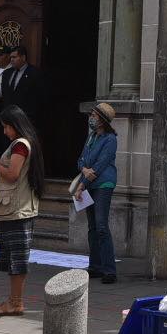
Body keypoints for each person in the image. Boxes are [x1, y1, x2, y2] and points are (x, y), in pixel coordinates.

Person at [0, 105, 44, 317]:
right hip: (15, 208)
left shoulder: (20, 145)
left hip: (17, 209)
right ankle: (13, 300)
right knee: (13, 257)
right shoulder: (23, 144)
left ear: (14, 125)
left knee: (17, 258)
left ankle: (16, 302)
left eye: (6, 127)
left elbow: (12, 174)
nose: (4, 131)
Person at [75, 102, 119, 283]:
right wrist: (83, 170)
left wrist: (83, 182)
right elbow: (81, 159)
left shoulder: (110, 139)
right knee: (92, 227)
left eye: (93, 115)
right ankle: (95, 266)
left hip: (103, 184)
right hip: (89, 184)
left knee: (101, 226)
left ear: (102, 120)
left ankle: (109, 270)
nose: (90, 118)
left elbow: (100, 165)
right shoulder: (91, 137)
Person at [0, 46, 43, 124]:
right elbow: (5, 94)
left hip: (25, 118)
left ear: (23, 57)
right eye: (10, 57)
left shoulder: (34, 73)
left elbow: (38, 97)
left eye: (14, 57)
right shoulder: (7, 73)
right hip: (8, 118)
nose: (11, 60)